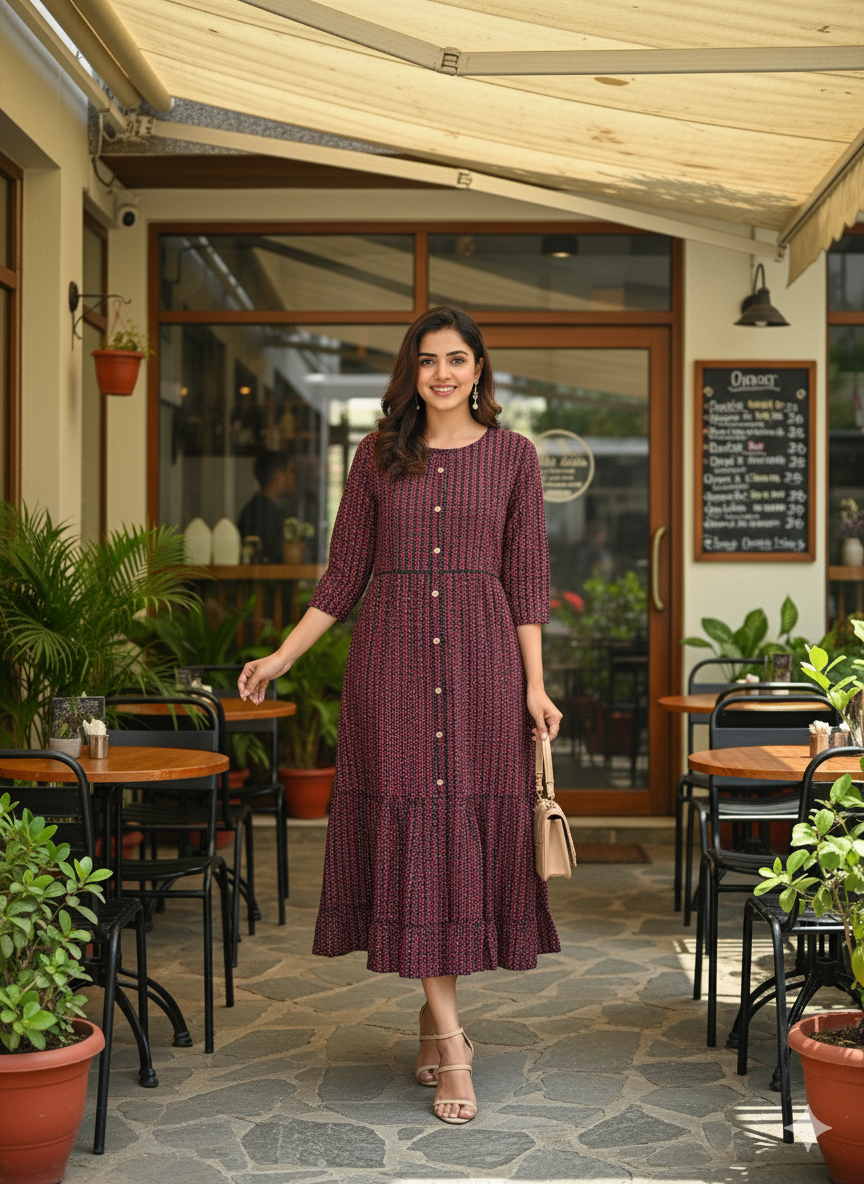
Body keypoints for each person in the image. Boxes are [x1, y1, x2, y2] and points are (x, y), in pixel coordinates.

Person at [239, 307, 562, 1126]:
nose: (443, 374)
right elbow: (343, 575)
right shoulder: (376, 456)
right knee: (419, 820)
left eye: (457, 359)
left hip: (486, 668)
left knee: (462, 825)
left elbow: (526, 581)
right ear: (410, 373)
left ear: (481, 368)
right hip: (394, 669)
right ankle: (453, 1042)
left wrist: (534, 686)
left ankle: (432, 1012)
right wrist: (282, 655)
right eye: (428, 362)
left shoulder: (516, 457)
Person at [237, 451, 293, 563]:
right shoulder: (262, 513)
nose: (293, 477)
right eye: (291, 471)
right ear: (278, 476)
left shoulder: (256, 508)